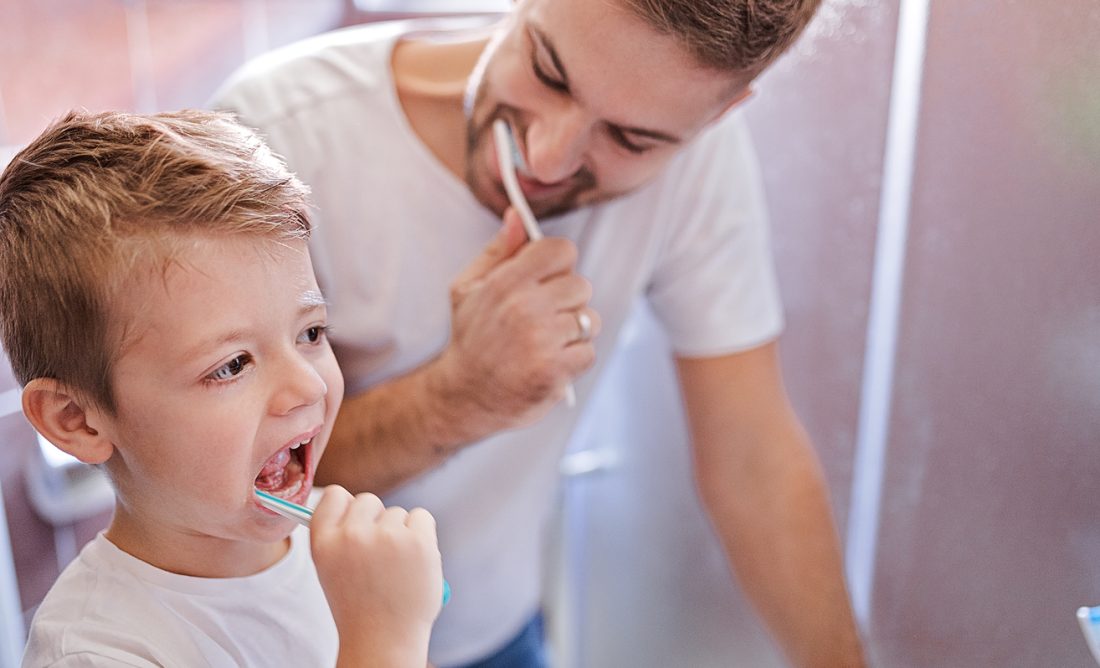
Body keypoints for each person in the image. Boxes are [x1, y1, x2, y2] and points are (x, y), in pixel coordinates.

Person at [211, 0, 866, 665]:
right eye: (549, 73)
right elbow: (215, 480)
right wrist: (457, 397)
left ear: (718, 115)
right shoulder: (274, 135)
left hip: (495, 635)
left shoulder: (696, 160)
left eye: (631, 140)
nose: (546, 161)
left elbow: (752, 456)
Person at [0, 109, 445, 667]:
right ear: (77, 419)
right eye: (232, 365)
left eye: (310, 332)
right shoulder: (96, 651)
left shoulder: (339, 551)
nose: (307, 384)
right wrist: (385, 639)